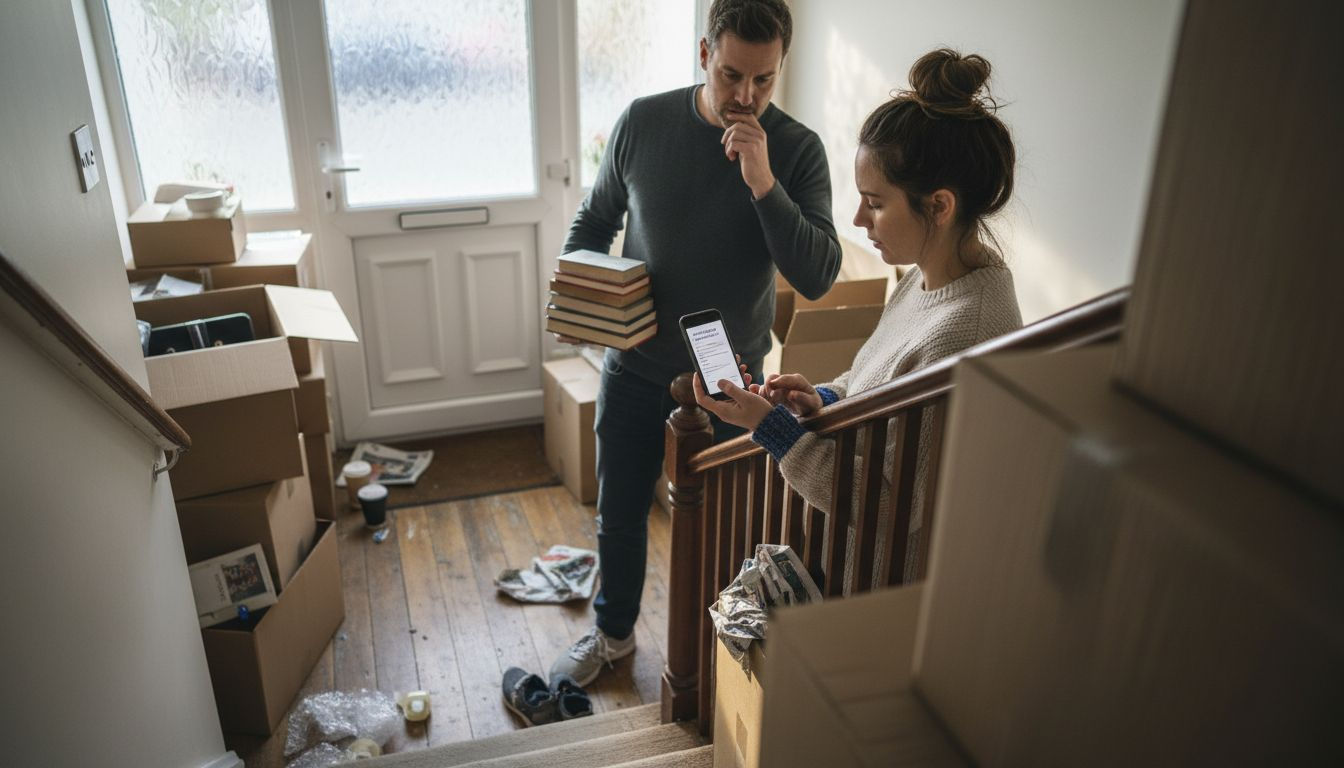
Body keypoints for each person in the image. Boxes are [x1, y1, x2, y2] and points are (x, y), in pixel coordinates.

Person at [551, 0, 842, 686]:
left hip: (733, 386)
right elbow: (592, 227)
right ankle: (614, 635)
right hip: (635, 366)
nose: (746, 96)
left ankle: (718, 658)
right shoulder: (644, 122)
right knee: (619, 513)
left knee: (727, 527)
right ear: (704, 53)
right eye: (733, 74)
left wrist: (763, 183)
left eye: (764, 81)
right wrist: (587, 306)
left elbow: (819, 274)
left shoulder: (796, 151)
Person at [694, 48, 1023, 581]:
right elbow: (883, 385)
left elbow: (889, 504)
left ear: (939, 206)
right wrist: (823, 398)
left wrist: (772, 429)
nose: (856, 218)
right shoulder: (925, 275)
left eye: (875, 202)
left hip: (882, 583)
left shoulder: (969, 332)